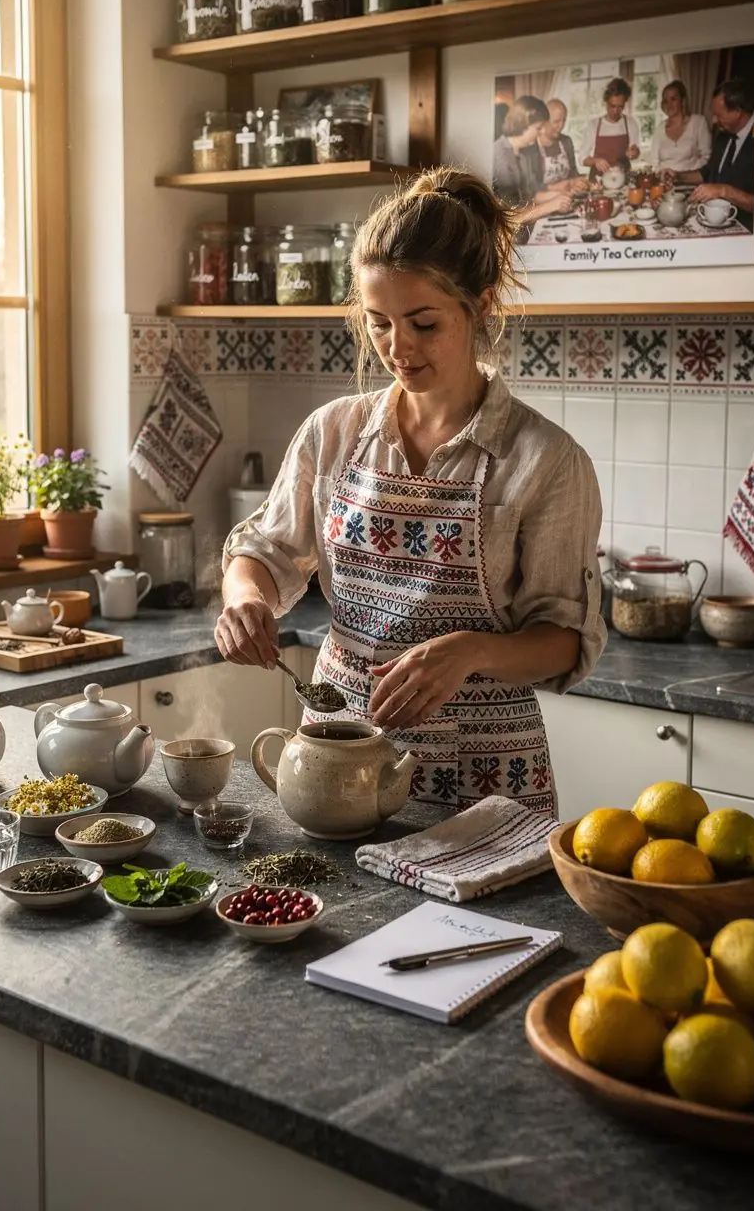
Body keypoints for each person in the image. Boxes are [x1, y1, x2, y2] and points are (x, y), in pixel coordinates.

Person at [215, 168, 606, 816]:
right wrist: (245, 599)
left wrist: (472, 651)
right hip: (337, 758)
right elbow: (261, 551)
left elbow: (567, 639)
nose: (399, 348)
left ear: (480, 305)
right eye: (379, 324)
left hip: (485, 779)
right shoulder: (334, 433)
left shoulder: (545, 460)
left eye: (423, 323)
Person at [687, 77, 754, 231]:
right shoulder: (724, 134)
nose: (713, 120)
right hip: (713, 222)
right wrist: (677, 176)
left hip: (747, 230)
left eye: (719, 115)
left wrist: (723, 190)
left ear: (737, 112)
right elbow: (707, 172)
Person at [492, 94, 574, 228]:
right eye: (538, 128)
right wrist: (551, 206)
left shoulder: (523, 156)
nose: (541, 132)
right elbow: (508, 217)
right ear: (524, 123)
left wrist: (559, 196)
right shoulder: (500, 156)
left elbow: (531, 193)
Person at [521, 98, 587, 196]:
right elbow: (531, 186)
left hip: (568, 197)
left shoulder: (566, 141)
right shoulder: (531, 146)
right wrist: (556, 188)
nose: (561, 126)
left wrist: (579, 182)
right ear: (544, 121)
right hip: (543, 200)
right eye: (556, 121)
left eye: (564, 121)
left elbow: (573, 172)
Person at [649, 80, 711, 175]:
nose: (669, 105)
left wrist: (685, 176)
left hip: (691, 182)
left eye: (673, 99)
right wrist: (663, 175)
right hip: (665, 184)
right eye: (666, 101)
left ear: (683, 100)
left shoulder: (698, 122)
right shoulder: (659, 129)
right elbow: (654, 163)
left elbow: (706, 157)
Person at [580, 77, 641, 172]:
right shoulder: (594, 125)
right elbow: (582, 159)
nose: (616, 111)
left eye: (620, 107)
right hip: (598, 180)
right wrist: (595, 161)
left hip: (623, 178)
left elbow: (635, 154)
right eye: (612, 106)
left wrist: (635, 153)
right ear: (606, 102)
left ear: (625, 104)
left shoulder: (630, 123)